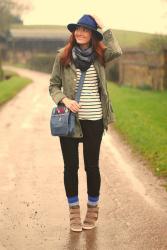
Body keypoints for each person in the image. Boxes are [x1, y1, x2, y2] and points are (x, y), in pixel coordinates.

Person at [49, 14, 122, 232]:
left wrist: (105, 26)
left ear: (92, 34)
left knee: (92, 167)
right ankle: (73, 213)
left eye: (86, 30)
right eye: (77, 29)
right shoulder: (63, 56)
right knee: (70, 167)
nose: (80, 33)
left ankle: (92, 210)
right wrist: (65, 99)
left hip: (95, 120)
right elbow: (53, 85)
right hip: (69, 121)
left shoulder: (100, 56)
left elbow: (117, 50)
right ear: (73, 32)